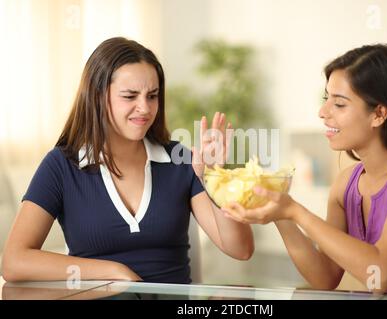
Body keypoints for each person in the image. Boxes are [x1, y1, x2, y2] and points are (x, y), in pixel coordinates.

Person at [1, 37, 254, 284]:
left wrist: (216, 177)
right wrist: (113, 270)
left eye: (152, 96)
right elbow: (14, 262)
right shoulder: (61, 165)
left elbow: (240, 250)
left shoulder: (181, 160)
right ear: (98, 96)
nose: (145, 108)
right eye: (130, 96)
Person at [223, 44, 387, 296]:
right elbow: (325, 276)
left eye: (339, 104)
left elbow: (380, 274)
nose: (323, 112)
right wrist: (281, 214)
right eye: (326, 99)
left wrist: (296, 211)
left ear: (379, 114)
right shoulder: (346, 184)